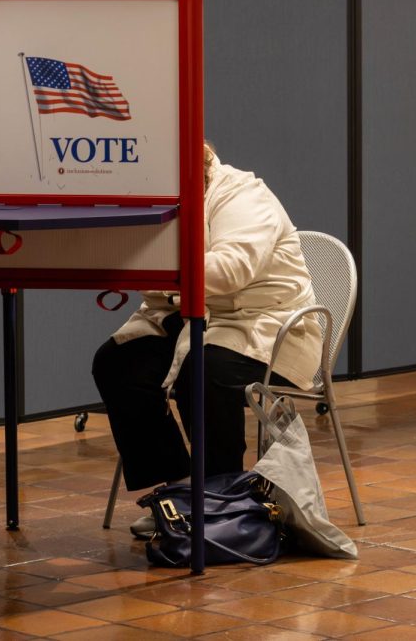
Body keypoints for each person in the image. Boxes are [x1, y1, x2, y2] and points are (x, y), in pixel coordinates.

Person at [91, 143, 323, 536]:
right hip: (193, 315)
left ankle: (223, 497)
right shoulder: (164, 200)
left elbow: (230, 270)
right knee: (118, 362)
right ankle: (181, 491)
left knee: (204, 372)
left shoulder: (243, 195)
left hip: (270, 327)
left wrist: (149, 267)